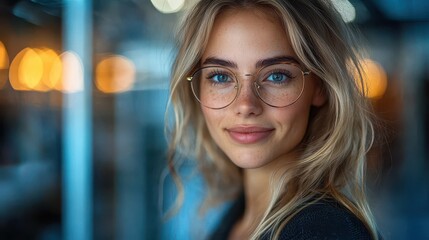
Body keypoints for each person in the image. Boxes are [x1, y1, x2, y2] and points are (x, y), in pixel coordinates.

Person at [165, 0, 380, 239]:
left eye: (276, 76)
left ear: (319, 86)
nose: (245, 105)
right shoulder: (237, 219)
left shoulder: (323, 230)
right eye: (220, 76)